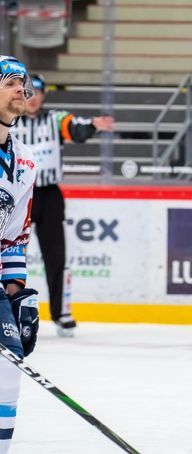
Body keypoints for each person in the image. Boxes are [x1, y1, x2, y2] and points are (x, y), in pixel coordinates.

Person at [11, 75, 115, 337]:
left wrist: (93, 125)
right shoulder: (10, 121)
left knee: (56, 256)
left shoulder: (55, 119)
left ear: (44, 96)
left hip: (49, 196)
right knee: (11, 256)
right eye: (28, 93)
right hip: (18, 195)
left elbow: (76, 128)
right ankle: (9, 312)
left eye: (37, 94)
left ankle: (61, 313)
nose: (32, 99)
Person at [0, 55, 40, 454]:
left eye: (23, 84)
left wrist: (16, 294)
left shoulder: (26, 162)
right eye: (12, 82)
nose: (21, 91)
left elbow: (13, 237)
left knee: (10, 363)